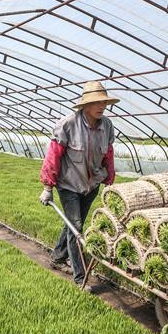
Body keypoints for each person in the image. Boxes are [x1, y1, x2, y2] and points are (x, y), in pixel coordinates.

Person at [39, 81, 118, 286]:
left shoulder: (107, 126)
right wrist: (47, 187)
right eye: (97, 102)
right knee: (76, 228)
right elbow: (53, 156)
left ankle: (58, 257)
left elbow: (108, 154)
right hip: (69, 185)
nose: (102, 106)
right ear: (86, 104)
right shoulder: (68, 124)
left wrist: (109, 180)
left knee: (74, 224)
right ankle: (80, 277)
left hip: (92, 185)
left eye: (104, 102)